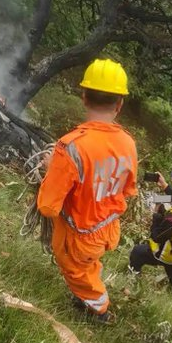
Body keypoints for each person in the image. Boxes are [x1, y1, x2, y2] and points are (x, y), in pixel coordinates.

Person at [37, 59, 138, 323]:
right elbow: (128, 188)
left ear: (83, 97)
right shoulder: (128, 143)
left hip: (78, 236)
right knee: (88, 264)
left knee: (77, 272)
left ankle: (98, 308)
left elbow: (47, 207)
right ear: (119, 104)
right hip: (107, 229)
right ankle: (88, 293)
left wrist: (51, 169)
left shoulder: (70, 146)